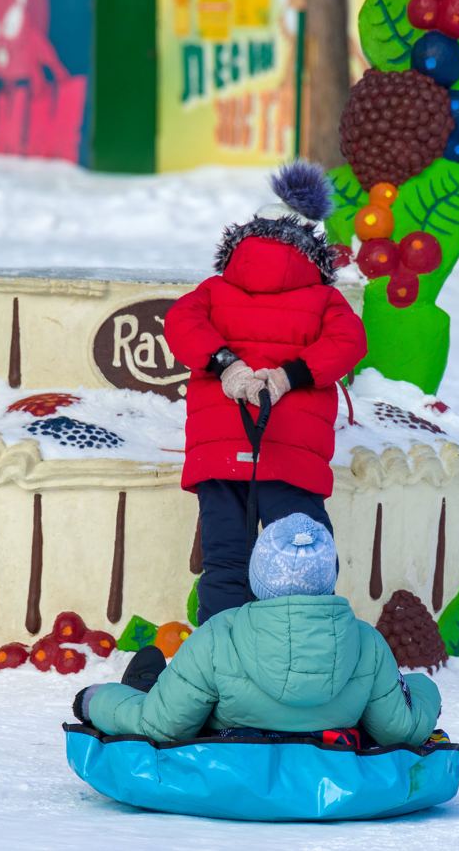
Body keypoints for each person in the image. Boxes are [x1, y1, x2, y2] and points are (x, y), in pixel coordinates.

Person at [163, 161, 368, 623]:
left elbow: (180, 323)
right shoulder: (324, 298)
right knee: (304, 563)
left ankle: (219, 663)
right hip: (290, 454)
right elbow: (349, 343)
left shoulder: (214, 290)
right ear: (312, 248)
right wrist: (289, 376)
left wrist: (226, 366)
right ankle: (302, 655)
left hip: (219, 453)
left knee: (226, 562)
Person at [72, 514, 441, 748]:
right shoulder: (367, 643)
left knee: (159, 696)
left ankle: (143, 685)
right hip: (328, 746)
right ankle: (149, 681)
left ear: (259, 577)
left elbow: (160, 727)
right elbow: (399, 731)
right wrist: (425, 688)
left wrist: (94, 700)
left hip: (234, 757)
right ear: (329, 578)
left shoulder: (219, 636)